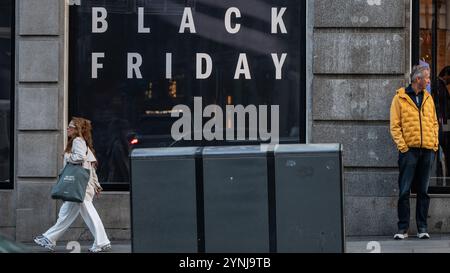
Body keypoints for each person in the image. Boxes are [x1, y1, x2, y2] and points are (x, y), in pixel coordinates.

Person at [33, 117, 111, 252]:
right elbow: (90, 167)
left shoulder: (78, 141)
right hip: (82, 185)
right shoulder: (82, 142)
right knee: (65, 213)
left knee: (89, 213)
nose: (68, 128)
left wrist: (67, 157)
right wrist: (96, 185)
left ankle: (102, 242)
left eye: (71, 127)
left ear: (78, 129)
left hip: (81, 186)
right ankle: (49, 238)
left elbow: (79, 158)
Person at [390, 65, 438, 240]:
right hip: (409, 151)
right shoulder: (400, 98)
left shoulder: (428, 98)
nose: (428, 81)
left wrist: (434, 144)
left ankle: (422, 228)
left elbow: (434, 123)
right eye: (427, 78)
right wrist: (403, 147)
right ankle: (402, 229)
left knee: (423, 192)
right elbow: (395, 126)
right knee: (404, 191)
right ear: (418, 79)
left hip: (427, 150)